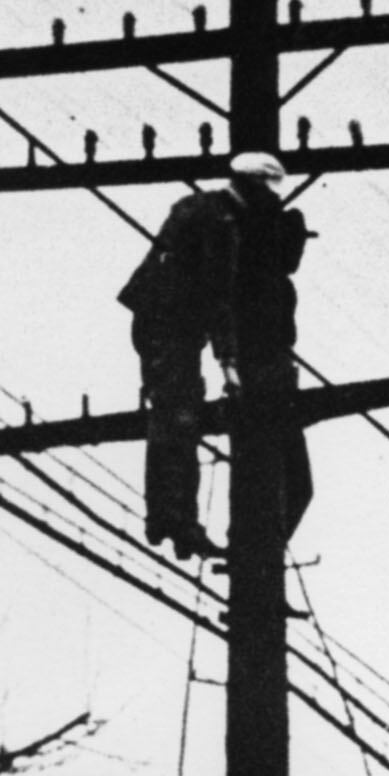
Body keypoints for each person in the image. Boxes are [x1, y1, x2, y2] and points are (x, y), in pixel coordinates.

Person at [117, 151, 311, 558]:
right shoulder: (221, 224)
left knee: (173, 415)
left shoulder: (199, 206)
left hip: (162, 320)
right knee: (177, 414)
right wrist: (229, 365)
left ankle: (169, 518)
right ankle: (175, 520)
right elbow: (217, 295)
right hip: (168, 324)